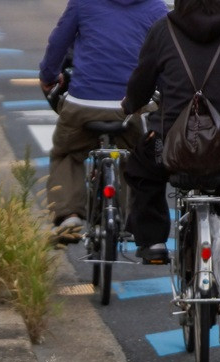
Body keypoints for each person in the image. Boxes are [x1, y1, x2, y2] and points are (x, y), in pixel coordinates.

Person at [121, 0, 220, 344]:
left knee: (141, 165)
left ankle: (155, 240)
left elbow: (141, 82)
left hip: (171, 151)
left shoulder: (164, 29)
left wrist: (132, 104)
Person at [39, 0, 167, 244]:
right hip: (130, 106)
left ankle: (69, 216)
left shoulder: (83, 2)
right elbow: (165, 54)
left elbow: (58, 43)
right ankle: (128, 217)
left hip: (84, 102)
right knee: (135, 157)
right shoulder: (155, 7)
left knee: (67, 153)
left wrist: (48, 75)